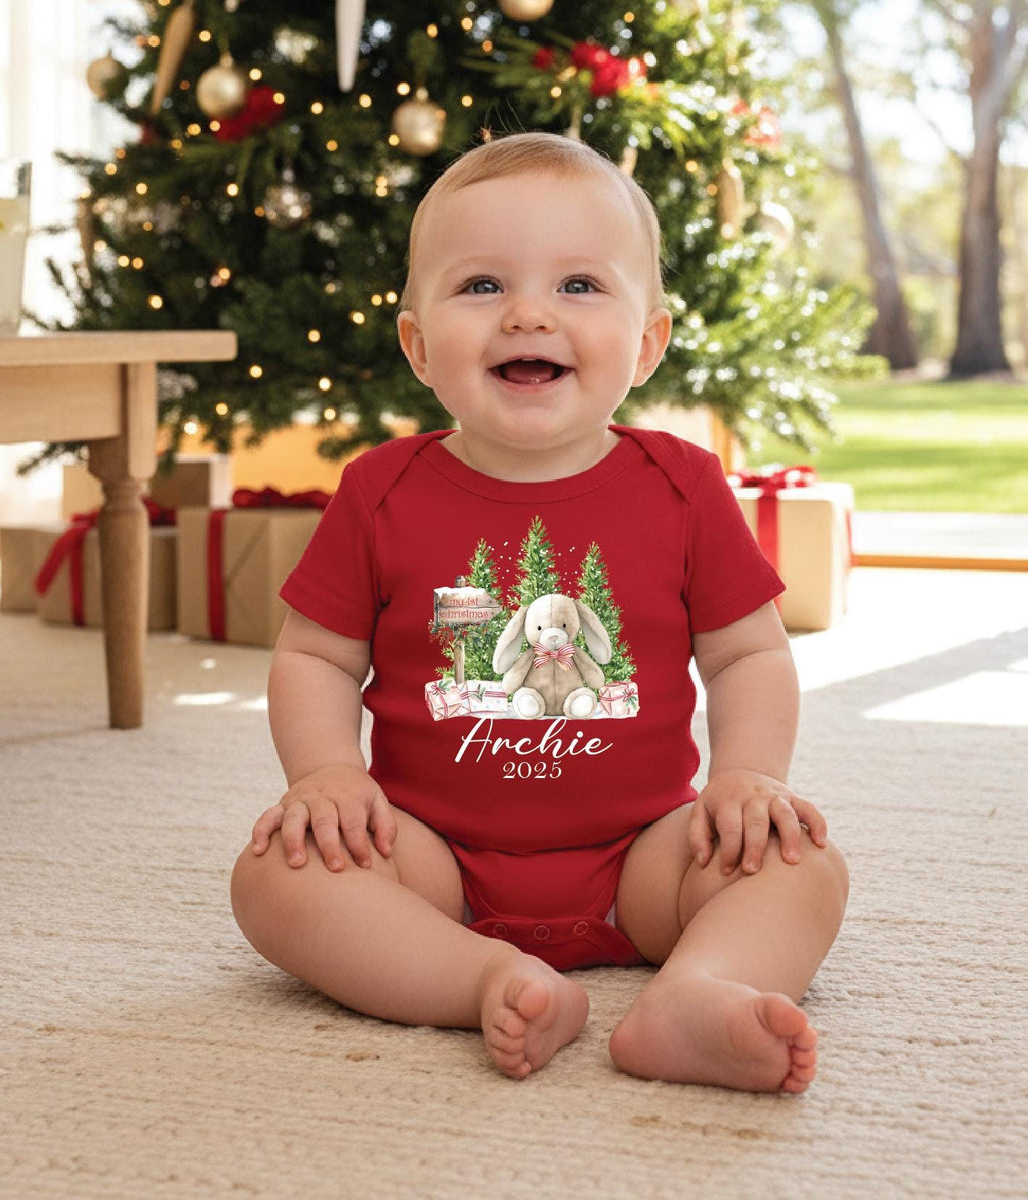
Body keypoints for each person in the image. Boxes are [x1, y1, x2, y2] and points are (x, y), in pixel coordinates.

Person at [230, 131, 848, 1093]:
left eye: (578, 286)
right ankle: (484, 977)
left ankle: (699, 990)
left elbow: (746, 658)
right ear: (418, 343)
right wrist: (323, 776)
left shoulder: (682, 485)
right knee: (274, 877)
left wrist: (748, 777)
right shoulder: (380, 489)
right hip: (429, 864)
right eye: (481, 286)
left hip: (645, 858)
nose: (527, 314)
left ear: (646, 345)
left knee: (802, 863)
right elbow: (314, 656)